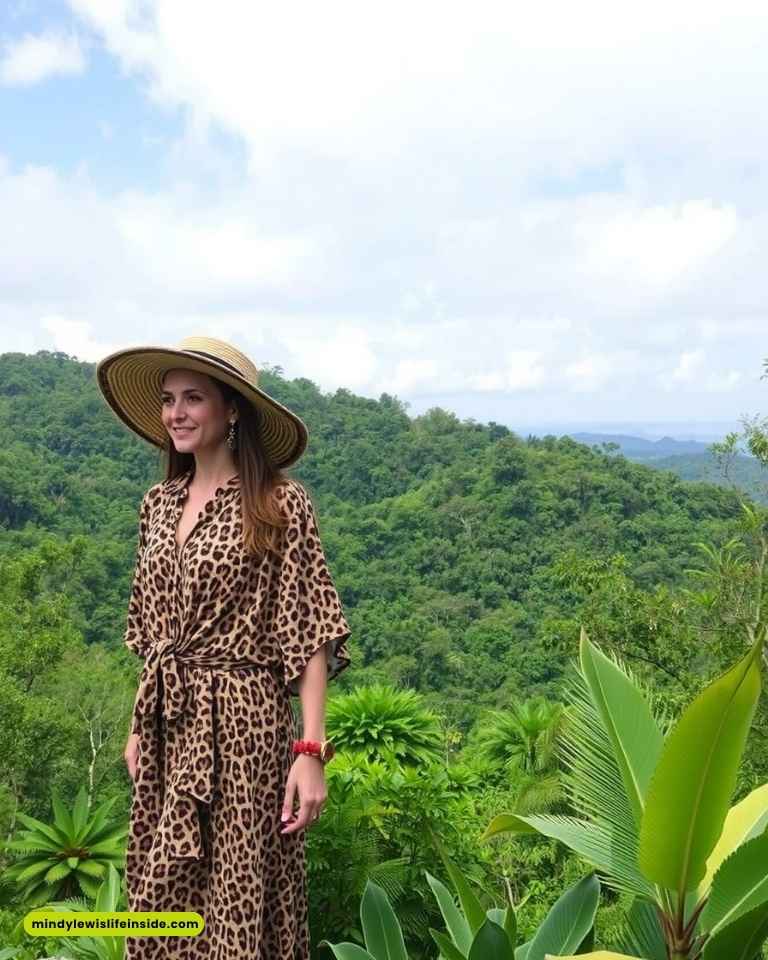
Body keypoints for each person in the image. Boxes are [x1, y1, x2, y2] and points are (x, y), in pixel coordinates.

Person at [95, 335, 352, 959]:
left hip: (246, 726)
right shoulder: (157, 505)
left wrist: (311, 750)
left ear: (231, 409)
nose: (176, 413)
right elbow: (154, 631)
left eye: (193, 399)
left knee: (238, 898)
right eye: (167, 400)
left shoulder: (280, 504)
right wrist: (136, 725)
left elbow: (309, 629)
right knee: (160, 899)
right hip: (168, 725)